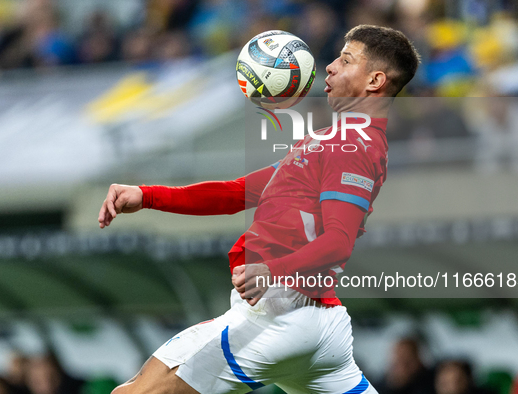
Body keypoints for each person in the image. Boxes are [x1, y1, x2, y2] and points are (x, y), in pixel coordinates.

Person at [99, 25, 420, 394]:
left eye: (345, 60)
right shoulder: (332, 140)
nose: (329, 67)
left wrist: (273, 271)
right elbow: (239, 192)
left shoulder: (353, 147)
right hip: (318, 322)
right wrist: (148, 195)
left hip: (277, 317)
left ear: (376, 80)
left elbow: (339, 241)